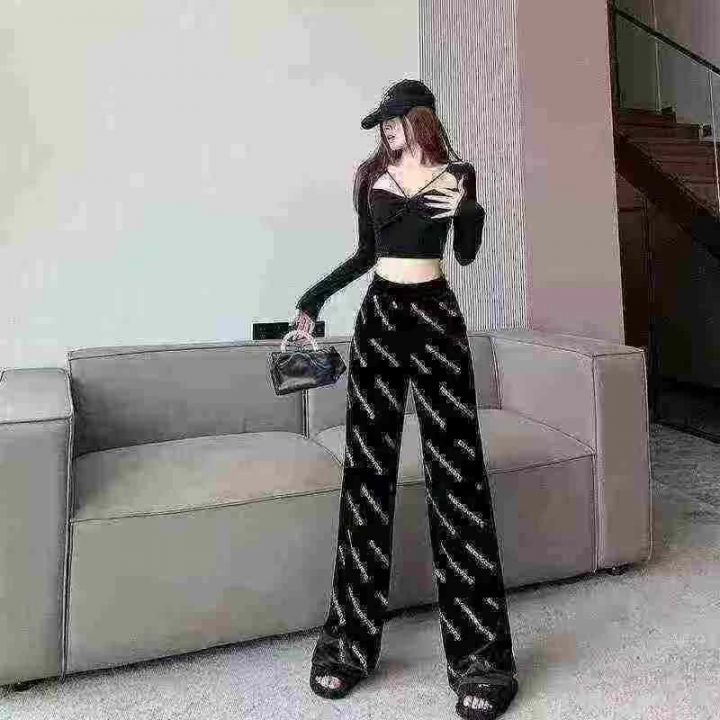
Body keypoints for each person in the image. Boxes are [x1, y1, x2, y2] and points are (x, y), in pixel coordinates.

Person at [289, 79, 519, 720]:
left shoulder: (459, 174)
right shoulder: (371, 177)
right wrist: (313, 297)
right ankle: (347, 644)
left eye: (392, 122)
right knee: (367, 477)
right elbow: (366, 254)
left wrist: (469, 210)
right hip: (380, 319)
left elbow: (467, 254)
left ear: (419, 119)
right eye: (381, 126)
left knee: (458, 478)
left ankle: (482, 660)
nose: (385, 133)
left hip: (438, 318)